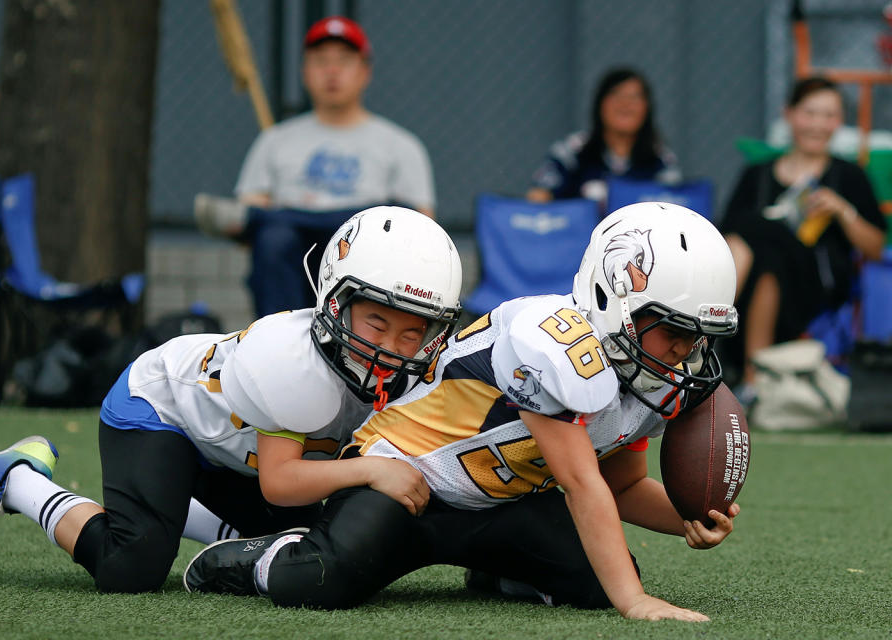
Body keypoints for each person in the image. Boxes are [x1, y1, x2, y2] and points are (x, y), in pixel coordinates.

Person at [184, 202, 742, 623]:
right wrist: (635, 602)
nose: (686, 351)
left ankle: (495, 570)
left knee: (590, 584)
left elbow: (617, 488)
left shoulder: (645, 377)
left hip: (495, 505)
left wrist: (687, 517)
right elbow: (579, 482)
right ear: (613, 298)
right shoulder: (553, 342)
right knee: (323, 580)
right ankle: (250, 556)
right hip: (401, 483)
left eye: (701, 337)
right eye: (675, 330)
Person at [0, 206, 462, 594]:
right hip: (163, 410)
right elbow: (281, 483)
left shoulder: (414, 373)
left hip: (232, 447)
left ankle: (165, 505)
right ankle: (18, 480)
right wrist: (371, 471)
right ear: (334, 298)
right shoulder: (290, 363)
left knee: (299, 542)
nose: (391, 348)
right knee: (132, 569)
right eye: (376, 320)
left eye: (412, 333)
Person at [195, 16, 436, 318]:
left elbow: (423, 229)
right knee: (273, 236)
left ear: (365, 72)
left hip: (362, 259)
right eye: (320, 61)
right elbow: (248, 241)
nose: (332, 71)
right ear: (305, 72)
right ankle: (282, 339)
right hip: (293, 260)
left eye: (344, 61)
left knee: (382, 213)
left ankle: (298, 216)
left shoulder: (401, 146)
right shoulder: (275, 141)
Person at [720, 76, 887, 397]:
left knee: (763, 247)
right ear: (790, 114)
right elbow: (725, 237)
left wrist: (842, 211)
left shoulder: (848, 176)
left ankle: (714, 348)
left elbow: (876, 248)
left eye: (829, 115)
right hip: (750, 278)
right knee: (749, 245)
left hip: (815, 286)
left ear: (839, 122)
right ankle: (751, 378)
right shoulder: (757, 175)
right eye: (810, 113)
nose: (819, 124)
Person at [526, 67, 680, 209]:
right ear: (600, 104)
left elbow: (672, 208)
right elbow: (537, 197)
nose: (625, 104)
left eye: (635, 97)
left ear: (647, 108)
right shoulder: (573, 150)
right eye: (616, 94)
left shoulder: (660, 158)